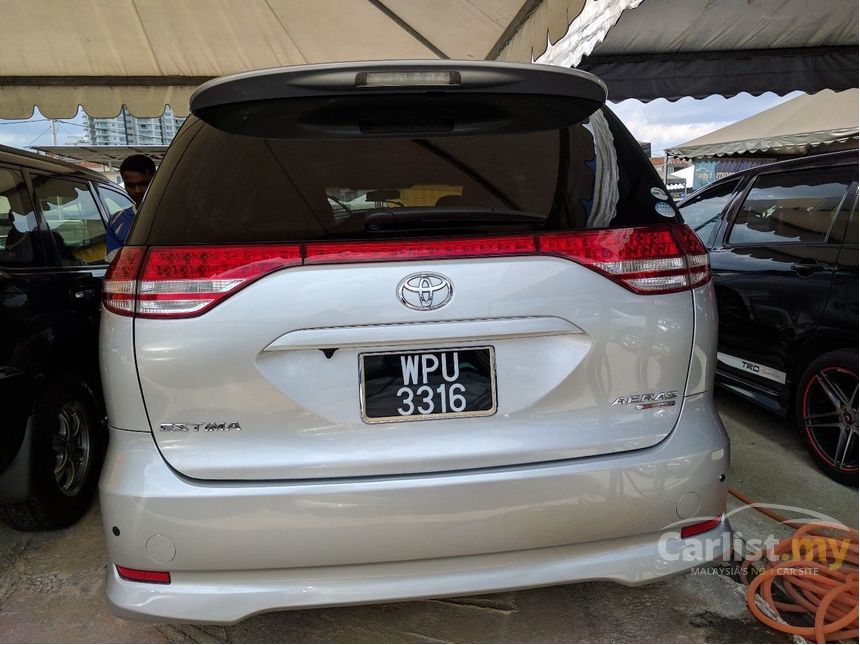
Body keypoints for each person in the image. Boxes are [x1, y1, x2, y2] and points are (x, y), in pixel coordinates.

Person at [105, 154, 155, 261]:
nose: (137, 191)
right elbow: (117, 265)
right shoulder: (116, 221)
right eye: (131, 185)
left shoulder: (176, 217)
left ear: (156, 180)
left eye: (143, 184)